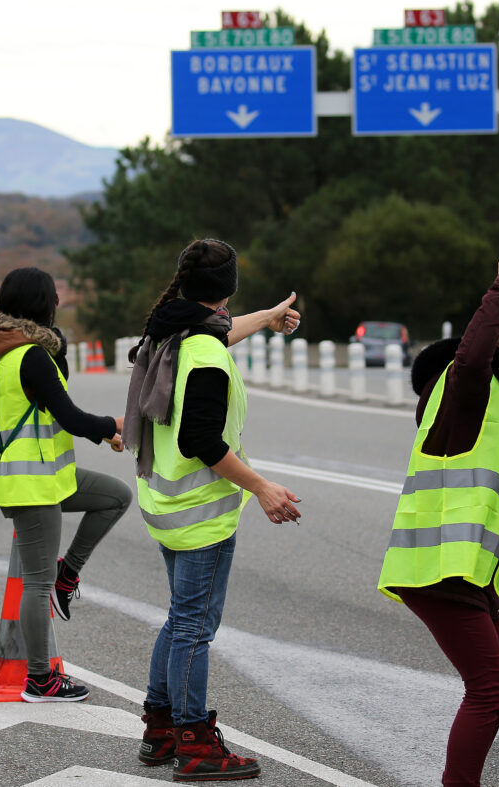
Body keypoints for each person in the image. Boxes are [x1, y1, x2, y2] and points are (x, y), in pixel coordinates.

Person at [377, 255, 499, 787]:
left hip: (471, 573)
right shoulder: (471, 390)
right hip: (439, 567)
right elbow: (474, 352)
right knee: (487, 687)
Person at [123, 238, 302, 782]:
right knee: (194, 629)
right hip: (200, 512)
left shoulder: (171, 327)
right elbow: (203, 438)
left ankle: (159, 728)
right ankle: (194, 741)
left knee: (181, 619)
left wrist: (267, 317)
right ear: (226, 289)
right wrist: (261, 487)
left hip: (167, 503)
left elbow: (220, 329)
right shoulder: (204, 352)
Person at [0, 266, 132, 702]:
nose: (59, 301)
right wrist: (114, 425)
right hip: (31, 483)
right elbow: (71, 417)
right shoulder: (29, 355)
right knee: (34, 586)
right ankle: (40, 679)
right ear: (40, 304)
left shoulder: (9, 350)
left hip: (45, 476)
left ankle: (68, 574)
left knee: (115, 496)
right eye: (54, 296)